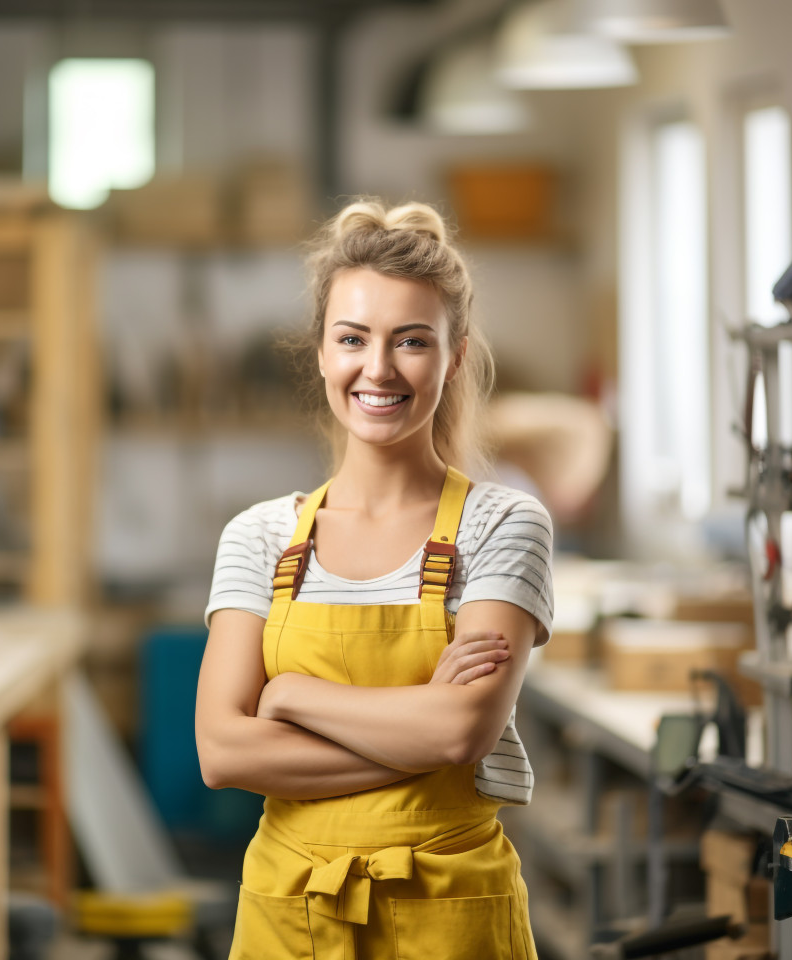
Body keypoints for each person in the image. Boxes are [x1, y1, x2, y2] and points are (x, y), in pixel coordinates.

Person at [196, 199, 554, 960]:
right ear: (322, 353)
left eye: (412, 341)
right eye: (353, 338)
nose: (378, 368)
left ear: (454, 356)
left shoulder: (504, 526)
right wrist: (421, 727)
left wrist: (290, 699)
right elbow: (223, 752)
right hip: (289, 914)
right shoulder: (259, 537)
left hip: (452, 916)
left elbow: (464, 730)